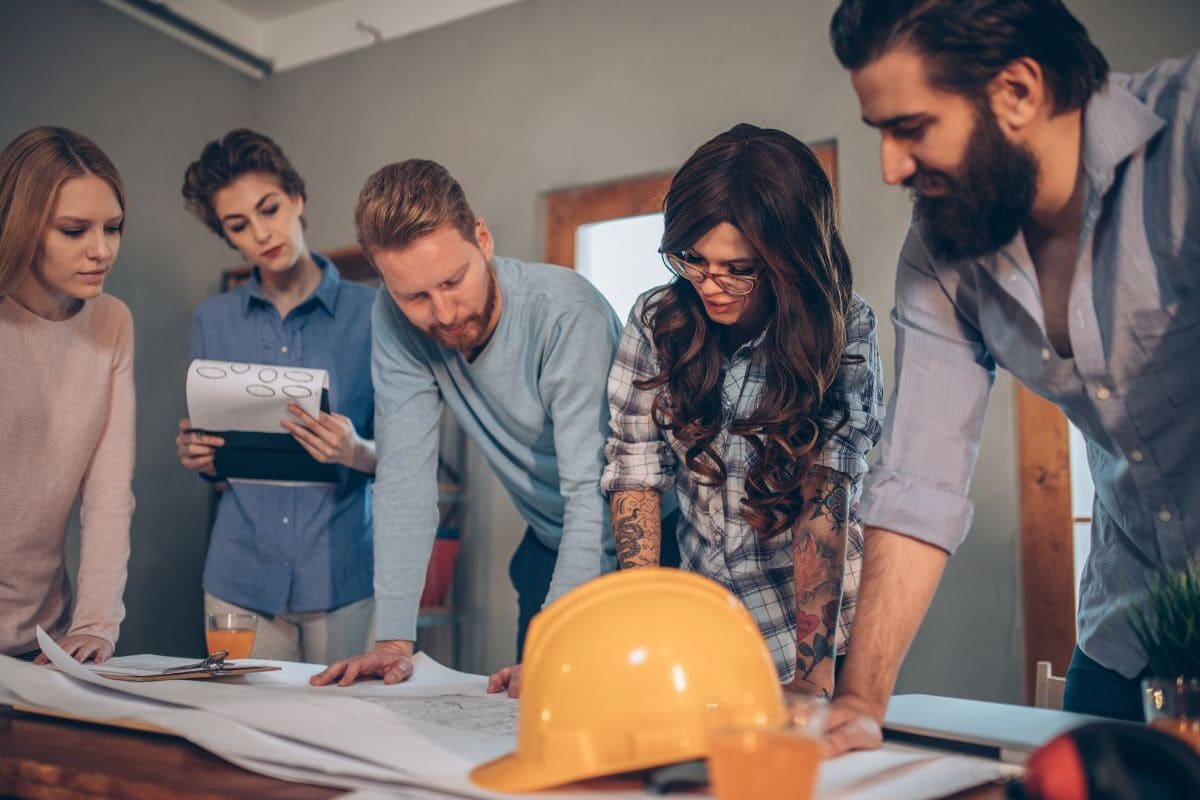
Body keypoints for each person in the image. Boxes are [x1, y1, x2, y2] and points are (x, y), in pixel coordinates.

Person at [824, 0, 1199, 750]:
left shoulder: (1188, 138)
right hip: (1126, 633)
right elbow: (919, 477)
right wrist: (860, 704)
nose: (890, 166)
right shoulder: (941, 244)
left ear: (1020, 91)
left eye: (911, 127)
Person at [311, 159, 628, 693]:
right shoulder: (392, 321)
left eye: (453, 281)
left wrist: (555, 643)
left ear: (482, 238)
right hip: (551, 547)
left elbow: (591, 494)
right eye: (415, 297)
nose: (445, 313)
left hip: (653, 543)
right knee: (531, 724)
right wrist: (392, 641)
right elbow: (404, 479)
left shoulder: (567, 315)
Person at [601, 123, 883, 696]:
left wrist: (812, 674)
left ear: (789, 258)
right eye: (692, 259)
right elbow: (635, 472)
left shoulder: (846, 328)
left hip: (822, 634)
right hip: (710, 624)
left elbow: (826, 501)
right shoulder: (657, 319)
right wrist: (643, 627)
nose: (711, 285)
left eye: (740, 268)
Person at [176, 129, 377, 663]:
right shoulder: (212, 320)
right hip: (238, 574)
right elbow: (218, 461)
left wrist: (355, 450)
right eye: (238, 225)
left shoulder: (373, 315)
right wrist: (201, 458)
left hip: (342, 573)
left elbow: (409, 458)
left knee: (341, 734)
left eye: (269, 209)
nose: (262, 233)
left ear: (297, 198)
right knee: (241, 734)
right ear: (227, 236)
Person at [0, 126, 134, 664]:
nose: (100, 251)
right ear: (22, 226)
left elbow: (108, 492)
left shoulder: (113, 321)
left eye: (114, 228)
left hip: (47, 636)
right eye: (74, 230)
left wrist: (97, 625)